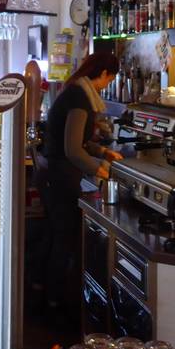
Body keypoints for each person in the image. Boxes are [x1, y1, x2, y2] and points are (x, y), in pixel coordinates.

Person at [41, 52, 121, 312]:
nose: (107, 85)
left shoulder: (76, 92)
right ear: (103, 74)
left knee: (58, 236)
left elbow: (79, 142)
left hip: (55, 174)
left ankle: (50, 295)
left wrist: (103, 152)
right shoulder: (79, 99)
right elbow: (73, 150)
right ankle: (56, 303)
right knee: (65, 238)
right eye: (109, 80)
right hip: (61, 176)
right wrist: (100, 170)